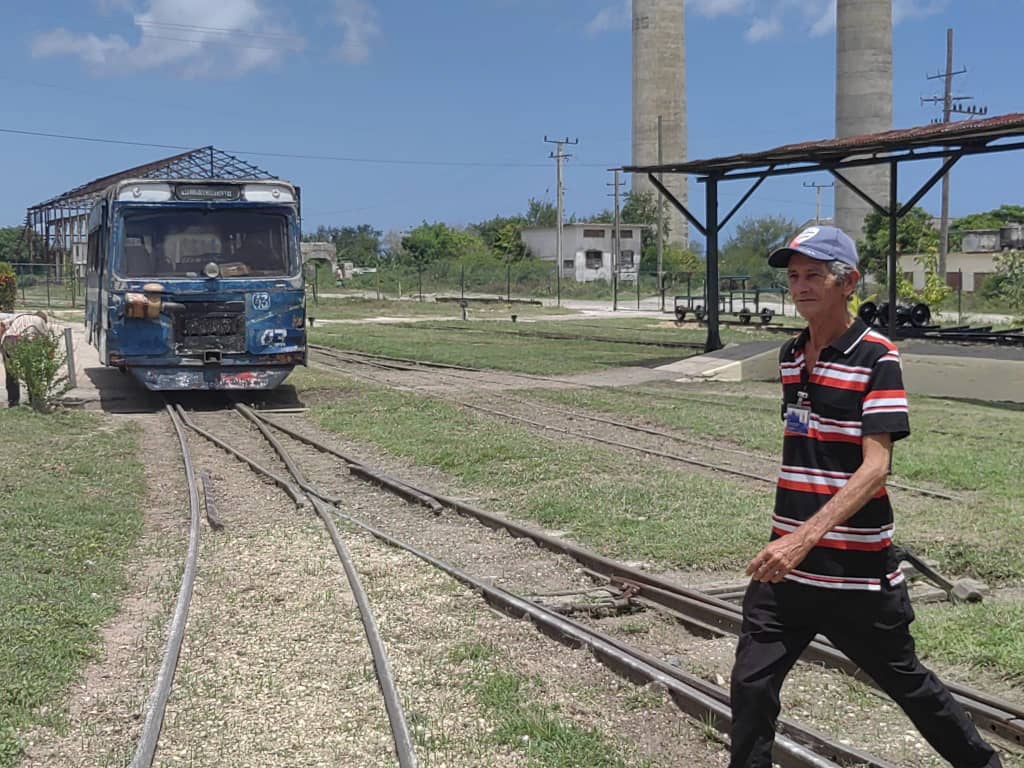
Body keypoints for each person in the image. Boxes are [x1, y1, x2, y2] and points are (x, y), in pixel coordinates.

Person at [728, 226, 1001, 768]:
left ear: (847, 281)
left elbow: (876, 468)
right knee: (751, 687)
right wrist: (790, 545)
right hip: (787, 572)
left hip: (854, 575)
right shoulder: (790, 356)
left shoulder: (878, 356)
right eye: (793, 277)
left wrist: (800, 540)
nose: (800, 287)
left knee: (910, 687)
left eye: (813, 276)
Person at [0, 310, 49, 408]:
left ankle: (13, 402)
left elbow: (1, 326)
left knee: (11, 373)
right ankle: (34, 399)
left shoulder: (19, 316)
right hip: (23, 341)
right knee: (31, 371)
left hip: (8, 340)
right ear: (44, 319)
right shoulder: (41, 321)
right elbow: (46, 342)